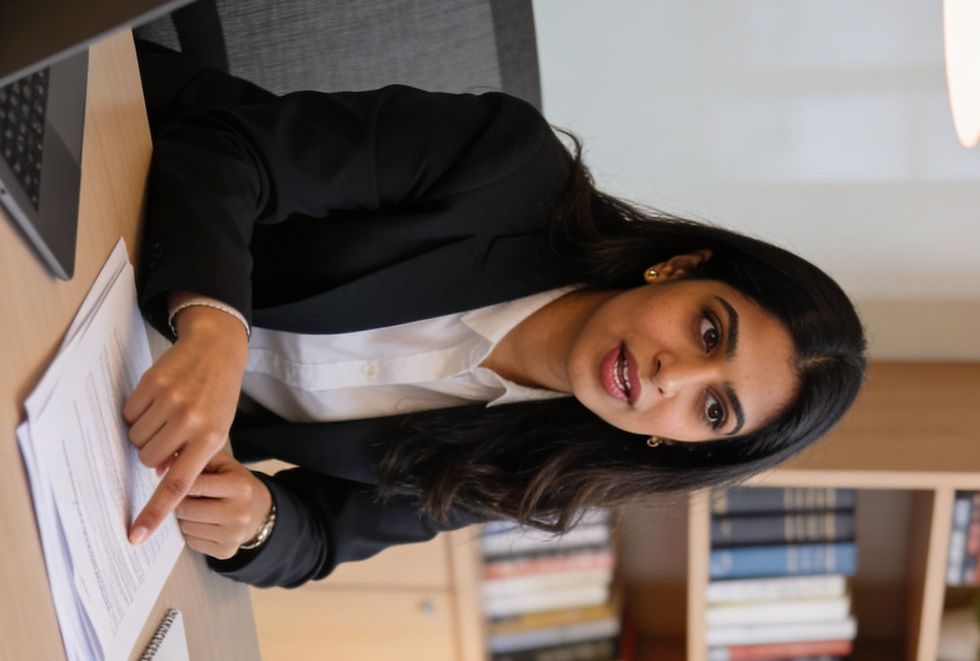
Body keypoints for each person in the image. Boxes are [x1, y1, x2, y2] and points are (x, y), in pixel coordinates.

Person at [122, 46, 868, 588]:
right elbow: (227, 152)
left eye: (713, 409)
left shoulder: (522, 471)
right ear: (678, 267)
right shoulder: (507, 168)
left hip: (111, 399)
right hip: (112, 193)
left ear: (676, 443)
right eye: (709, 331)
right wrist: (215, 324)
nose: (675, 374)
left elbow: (317, 536)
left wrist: (257, 522)